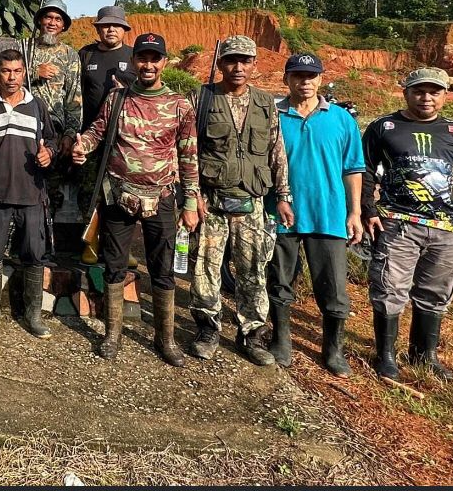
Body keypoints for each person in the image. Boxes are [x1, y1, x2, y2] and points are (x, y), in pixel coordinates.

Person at [72, 33, 198, 366]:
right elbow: (98, 130)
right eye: (142, 58)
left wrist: (190, 202)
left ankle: (165, 338)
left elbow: (188, 156)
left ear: (164, 63)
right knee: (113, 266)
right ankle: (112, 334)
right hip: (120, 196)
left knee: (163, 269)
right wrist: (82, 146)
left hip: (162, 197)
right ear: (135, 61)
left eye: (154, 58)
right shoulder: (118, 98)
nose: (148, 64)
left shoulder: (179, 105)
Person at [361, 67, 453, 382]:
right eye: (419, 91)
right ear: (406, 92)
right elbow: (363, 170)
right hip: (397, 223)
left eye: (434, 92)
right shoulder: (384, 127)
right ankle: (386, 355)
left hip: (445, 228)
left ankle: (424, 354)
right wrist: (367, 210)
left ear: (444, 95)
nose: (426, 98)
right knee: (390, 288)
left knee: (435, 291)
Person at [188, 35, 292, 366]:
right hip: (212, 200)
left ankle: (252, 335)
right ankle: (207, 330)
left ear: (253, 65)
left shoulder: (265, 103)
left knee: (252, 271)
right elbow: (188, 150)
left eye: (245, 61)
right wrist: (192, 195)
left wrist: (284, 196)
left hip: (253, 201)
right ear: (220, 64)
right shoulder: (202, 98)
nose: (238, 67)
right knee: (205, 268)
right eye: (232, 60)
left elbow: (277, 151)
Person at [265, 54, 365, 376]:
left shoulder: (340, 119)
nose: (304, 81)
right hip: (283, 215)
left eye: (311, 75)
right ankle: (281, 339)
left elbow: (353, 169)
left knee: (333, 288)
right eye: (297, 75)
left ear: (321, 80)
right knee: (280, 282)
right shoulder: (273, 116)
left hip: (329, 216)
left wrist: (355, 212)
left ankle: (333, 349)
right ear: (286, 79)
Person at [0, 49, 58, 338]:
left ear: (24, 73)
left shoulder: (37, 106)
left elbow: (52, 140)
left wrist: (49, 154)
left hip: (31, 194)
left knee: (34, 252)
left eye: (17, 71)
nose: (11, 77)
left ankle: (33, 314)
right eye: (5, 71)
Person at [76, 5, 137, 233]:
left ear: (124, 29)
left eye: (116, 26)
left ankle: (117, 245)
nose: (111, 29)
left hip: (124, 139)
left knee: (121, 193)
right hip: (90, 136)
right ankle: (87, 241)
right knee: (88, 192)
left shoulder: (133, 57)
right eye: (105, 25)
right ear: (99, 29)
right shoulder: (86, 54)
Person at [24, 0, 82, 214]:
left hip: (54, 131)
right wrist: (33, 73)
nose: (52, 22)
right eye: (48, 17)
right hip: (23, 125)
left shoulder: (70, 55)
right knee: (22, 181)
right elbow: (5, 79)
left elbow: (74, 98)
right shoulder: (24, 47)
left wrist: (69, 133)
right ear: (39, 20)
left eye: (58, 19)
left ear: (64, 25)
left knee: (51, 188)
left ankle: (47, 241)